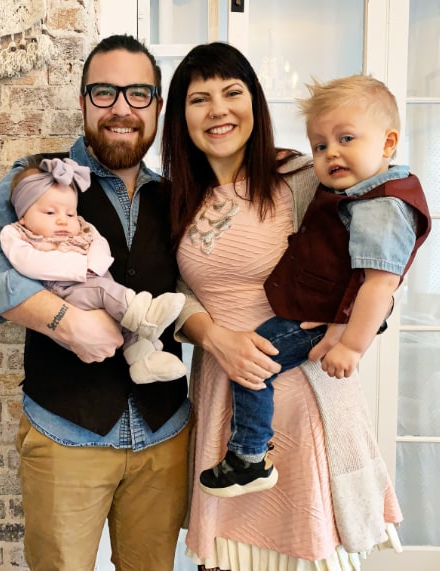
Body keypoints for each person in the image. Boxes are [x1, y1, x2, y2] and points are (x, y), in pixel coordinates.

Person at [0, 34, 191, 571]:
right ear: (82, 101)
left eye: (138, 93)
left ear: (157, 107)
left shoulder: (179, 195)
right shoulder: (38, 179)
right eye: (104, 92)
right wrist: (64, 321)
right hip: (65, 435)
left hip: (165, 435)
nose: (122, 108)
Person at [162, 42, 405, 571]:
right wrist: (213, 337)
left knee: (308, 554)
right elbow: (172, 292)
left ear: (256, 103)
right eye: (199, 99)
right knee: (226, 560)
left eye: (232, 92)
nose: (218, 110)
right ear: (181, 116)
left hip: (306, 394)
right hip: (222, 392)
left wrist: (352, 322)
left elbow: (375, 264)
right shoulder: (175, 197)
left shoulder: (305, 177)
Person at [198, 74, 431, 498]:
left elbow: (379, 285)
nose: (331, 153)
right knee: (255, 358)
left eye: (346, 138)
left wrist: (349, 343)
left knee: (255, 360)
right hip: (315, 313)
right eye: (321, 145)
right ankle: (249, 452)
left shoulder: (381, 205)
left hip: (325, 327)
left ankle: (249, 455)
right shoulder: (351, 192)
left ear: (388, 142)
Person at [2, 156, 187, 384]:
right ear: (22, 216)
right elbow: (25, 262)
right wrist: (81, 269)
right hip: (63, 292)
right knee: (103, 290)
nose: (62, 221)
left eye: (69, 213)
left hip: (95, 282)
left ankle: (143, 360)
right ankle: (145, 314)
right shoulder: (17, 234)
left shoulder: (80, 226)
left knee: (122, 318)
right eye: (50, 213)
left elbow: (98, 243)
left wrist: (94, 266)